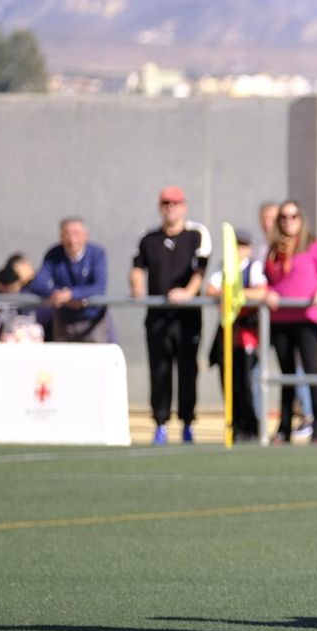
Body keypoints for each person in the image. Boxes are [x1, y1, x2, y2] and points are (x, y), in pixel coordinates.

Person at [130, 185, 212, 446]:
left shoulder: (196, 234)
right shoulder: (148, 238)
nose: (171, 208)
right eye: (166, 203)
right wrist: (137, 287)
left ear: (184, 206)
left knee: (188, 370)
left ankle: (187, 422)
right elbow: (136, 268)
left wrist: (188, 292)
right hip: (157, 317)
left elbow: (200, 271)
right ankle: (161, 423)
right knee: (160, 370)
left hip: (187, 318)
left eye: (175, 203)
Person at [263, 200, 317, 445]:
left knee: (312, 373)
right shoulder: (274, 249)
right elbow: (265, 280)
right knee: (287, 376)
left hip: (307, 320)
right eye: (283, 217)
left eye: (294, 216)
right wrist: (268, 291)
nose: (288, 221)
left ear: (301, 219)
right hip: (280, 320)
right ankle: (284, 427)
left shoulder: (313, 246)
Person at [206, 229, 268, 443]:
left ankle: (251, 426)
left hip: (247, 335)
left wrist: (238, 295)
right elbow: (211, 289)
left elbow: (261, 291)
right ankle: (235, 425)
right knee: (228, 382)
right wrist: (227, 294)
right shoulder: (224, 267)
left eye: (243, 246)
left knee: (246, 383)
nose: (239, 250)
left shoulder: (254, 268)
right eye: (236, 246)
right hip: (227, 334)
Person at [26, 217, 113, 343]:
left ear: (86, 236)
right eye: (67, 234)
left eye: (76, 234)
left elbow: (99, 286)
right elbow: (38, 283)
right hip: (63, 320)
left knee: (94, 360)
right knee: (62, 360)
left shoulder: (97, 253)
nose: (72, 240)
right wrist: (57, 294)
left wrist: (71, 294)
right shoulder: (53, 254)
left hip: (92, 320)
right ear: (61, 237)